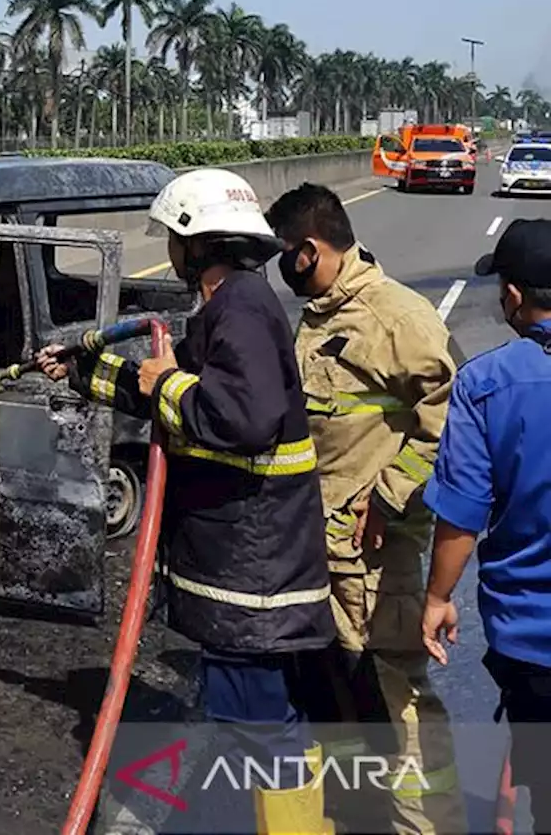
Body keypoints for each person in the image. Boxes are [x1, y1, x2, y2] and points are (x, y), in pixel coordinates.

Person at [37, 168, 336, 835]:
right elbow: (177, 394)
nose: (170, 249)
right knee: (253, 718)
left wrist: (168, 380)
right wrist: (83, 370)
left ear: (197, 244)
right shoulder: (234, 304)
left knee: (264, 729)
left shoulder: (241, 309)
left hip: (251, 570)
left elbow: (240, 416)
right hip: (246, 561)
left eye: (174, 237)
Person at [265, 183, 465, 835]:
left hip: (377, 555)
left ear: (307, 251)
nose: (279, 270)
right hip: (327, 550)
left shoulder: (396, 320)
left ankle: (426, 826)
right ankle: (362, 815)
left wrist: (386, 496)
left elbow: (451, 428)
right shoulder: (326, 314)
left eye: (282, 256)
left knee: (398, 697)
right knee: (344, 691)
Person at [422, 218, 551, 833]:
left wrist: (438, 597)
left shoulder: (486, 383)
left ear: (516, 297)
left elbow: (462, 513)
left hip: (532, 641)